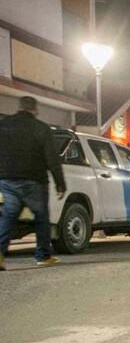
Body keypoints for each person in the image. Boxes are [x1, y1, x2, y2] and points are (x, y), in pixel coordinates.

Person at [0, 97, 66, 270]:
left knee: (9, 215)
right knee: (41, 217)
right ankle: (43, 256)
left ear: (20, 107)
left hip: (8, 180)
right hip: (34, 180)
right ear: (35, 109)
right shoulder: (41, 128)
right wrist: (60, 183)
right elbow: (51, 158)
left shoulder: (3, 125)